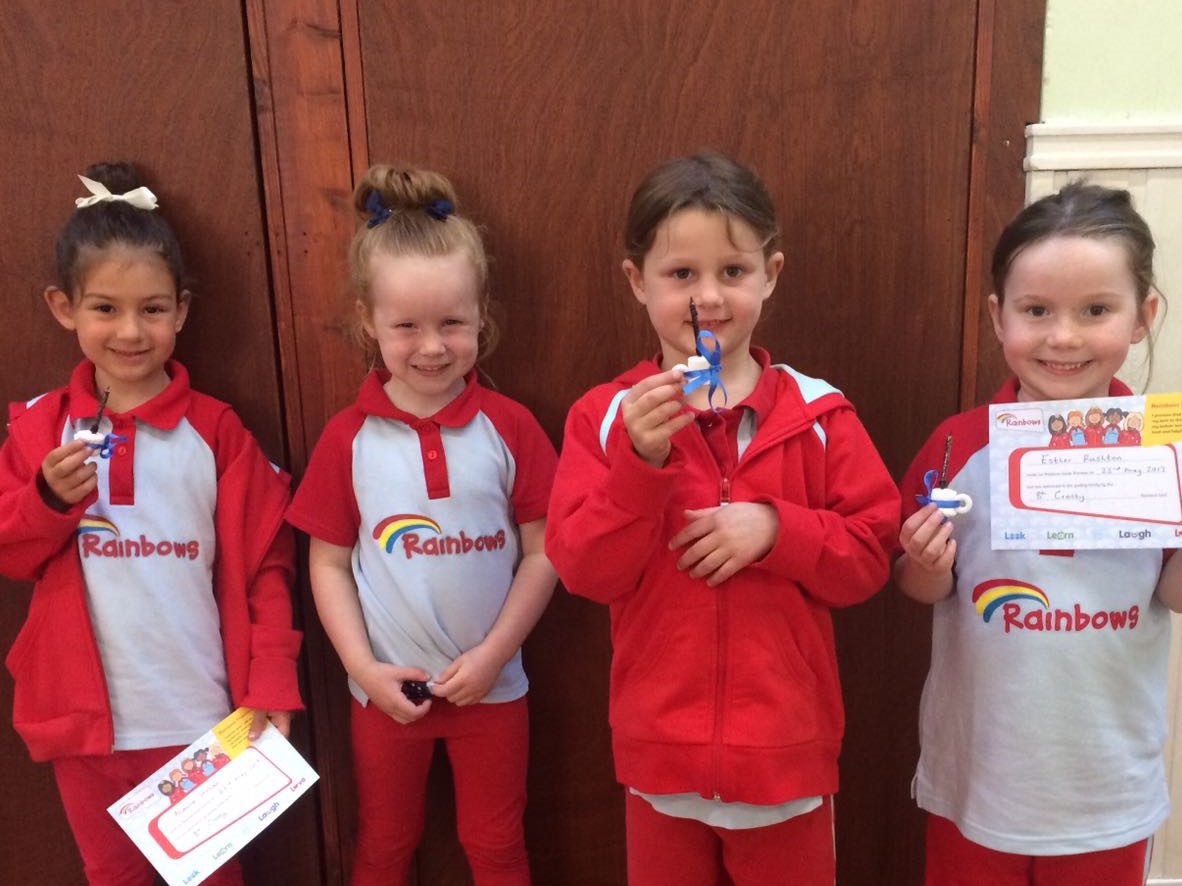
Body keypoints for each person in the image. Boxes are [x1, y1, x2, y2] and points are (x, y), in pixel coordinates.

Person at [544, 152, 899, 885]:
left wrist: (776, 530)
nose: (707, 297)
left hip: (786, 765)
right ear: (637, 281)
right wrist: (638, 465)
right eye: (681, 274)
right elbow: (583, 570)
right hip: (659, 764)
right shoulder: (605, 417)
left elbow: (870, 556)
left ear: (771, 273)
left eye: (733, 271)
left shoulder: (820, 415)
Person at [0, 162, 302, 885]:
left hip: (204, 720)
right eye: (105, 308)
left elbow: (267, 564)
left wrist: (270, 681)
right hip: (82, 728)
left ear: (182, 310)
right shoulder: (39, 428)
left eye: (153, 309)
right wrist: (45, 501)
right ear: (63, 307)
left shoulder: (218, 431)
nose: (131, 332)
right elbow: (12, 553)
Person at [895, 181, 1182, 886]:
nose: (1063, 337)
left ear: (1143, 316)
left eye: (1096, 310)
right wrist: (926, 564)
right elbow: (917, 584)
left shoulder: (1162, 451)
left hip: (1106, 786)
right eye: (1036, 310)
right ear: (999, 317)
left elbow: (1173, 594)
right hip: (979, 777)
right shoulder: (957, 447)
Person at [286, 164, 558, 886]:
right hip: (386, 694)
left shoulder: (512, 428)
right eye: (406, 326)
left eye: (452, 324)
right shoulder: (347, 439)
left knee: (496, 844)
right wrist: (362, 670)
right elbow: (327, 564)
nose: (432, 347)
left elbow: (545, 553)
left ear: (481, 315)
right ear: (367, 321)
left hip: (493, 689)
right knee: (384, 843)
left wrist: (495, 655)